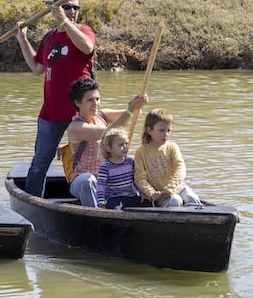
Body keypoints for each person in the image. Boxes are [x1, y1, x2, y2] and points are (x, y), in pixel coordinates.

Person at [16, 0, 96, 197]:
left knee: (87, 161)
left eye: (75, 8)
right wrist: (23, 40)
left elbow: (87, 48)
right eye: (67, 7)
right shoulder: (50, 37)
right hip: (50, 113)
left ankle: (89, 199)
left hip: (79, 114)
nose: (72, 11)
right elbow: (37, 67)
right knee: (39, 163)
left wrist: (65, 22)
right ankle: (33, 203)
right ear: (55, 9)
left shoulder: (83, 31)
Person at [66, 77, 147, 207]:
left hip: (107, 180)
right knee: (88, 180)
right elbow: (107, 132)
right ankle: (95, 213)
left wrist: (136, 104)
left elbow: (132, 113)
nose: (95, 104)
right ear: (78, 102)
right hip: (81, 182)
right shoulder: (76, 127)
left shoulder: (101, 116)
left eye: (97, 99)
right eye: (90, 100)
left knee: (134, 162)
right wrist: (131, 108)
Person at [134, 108, 200, 207]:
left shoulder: (172, 147)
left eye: (168, 130)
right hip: (159, 194)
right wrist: (151, 193)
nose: (166, 134)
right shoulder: (141, 152)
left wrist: (171, 188)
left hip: (177, 187)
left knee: (192, 198)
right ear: (149, 130)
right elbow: (140, 178)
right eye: (161, 130)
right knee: (175, 201)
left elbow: (180, 169)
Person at [95, 126, 143, 209]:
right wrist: (101, 203)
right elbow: (100, 187)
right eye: (121, 145)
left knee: (147, 201)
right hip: (114, 198)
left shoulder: (130, 162)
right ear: (109, 148)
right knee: (113, 204)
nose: (125, 147)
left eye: (126, 144)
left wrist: (142, 193)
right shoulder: (105, 167)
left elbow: (137, 181)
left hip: (130, 196)